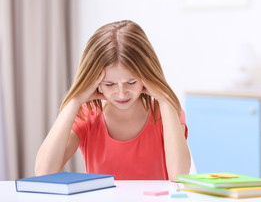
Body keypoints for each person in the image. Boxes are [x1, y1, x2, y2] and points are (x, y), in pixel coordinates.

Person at [35, 20, 191, 181]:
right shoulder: (87, 115)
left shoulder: (165, 112)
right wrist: (75, 100)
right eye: (109, 84)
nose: (121, 94)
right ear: (95, 81)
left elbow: (179, 176)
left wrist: (164, 99)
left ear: (146, 76)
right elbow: (44, 171)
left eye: (131, 82)